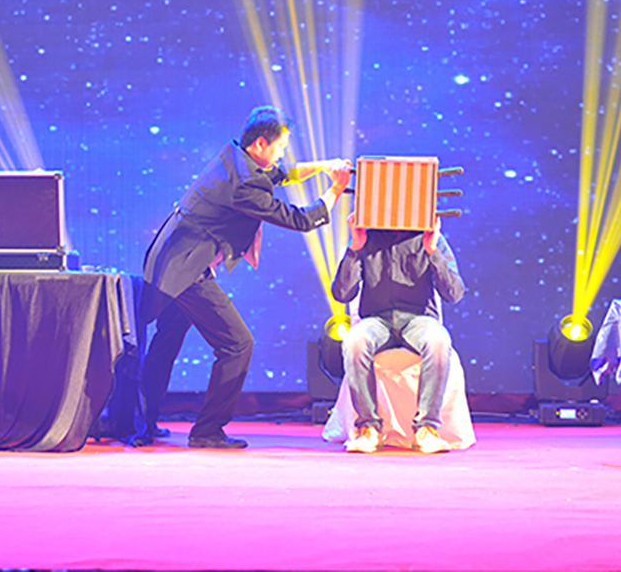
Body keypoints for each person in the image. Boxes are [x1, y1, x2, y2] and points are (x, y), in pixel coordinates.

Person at [141, 106, 351, 449]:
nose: (282, 153)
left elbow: (280, 174)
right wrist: (335, 191)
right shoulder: (246, 185)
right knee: (237, 344)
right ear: (260, 144)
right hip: (186, 270)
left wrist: (323, 166)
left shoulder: (235, 155)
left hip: (173, 261)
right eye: (280, 146)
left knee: (167, 342)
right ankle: (207, 431)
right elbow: (301, 219)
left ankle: (141, 420)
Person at [331, 212, 465, 453]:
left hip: (418, 319)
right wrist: (355, 248)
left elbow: (454, 293)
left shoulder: (428, 237)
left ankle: (427, 429)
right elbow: (342, 294)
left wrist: (432, 251)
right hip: (377, 320)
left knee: (438, 339)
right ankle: (368, 428)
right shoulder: (368, 237)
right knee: (354, 340)